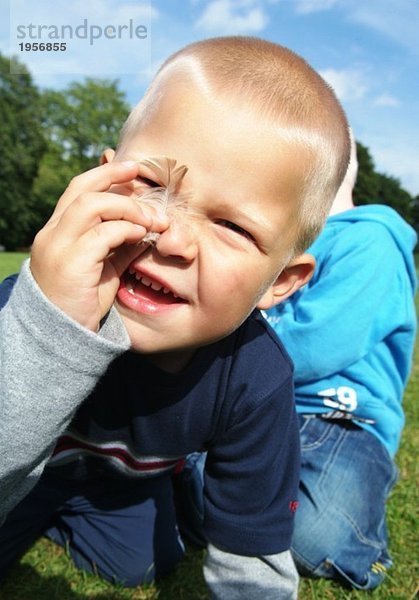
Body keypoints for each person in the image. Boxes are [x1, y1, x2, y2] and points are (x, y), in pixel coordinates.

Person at [0, 36, 350, 599]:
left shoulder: (256, 378)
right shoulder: (26, 309)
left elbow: (254, 553)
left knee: (144, 563)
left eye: (234, 227)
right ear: (100, 182)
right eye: (154, 186)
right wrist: (48, 333)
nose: (175, 238)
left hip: (116, 488)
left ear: (280, 282)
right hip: (18, 467)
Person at [264, 133, 417, 590]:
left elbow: (315, 343)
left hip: (340, 421)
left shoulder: (371, 239)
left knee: (310, 536)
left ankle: (357, 541)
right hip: (265, 411)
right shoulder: (275, 243)